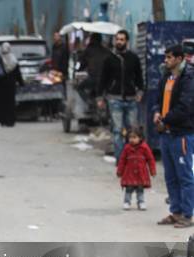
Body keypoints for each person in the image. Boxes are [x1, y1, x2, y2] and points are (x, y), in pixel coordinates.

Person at [154, 45, 194, 228]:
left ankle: (187, 214)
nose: (166, 60)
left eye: (169, 57)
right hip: (166, 134)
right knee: (170, 176)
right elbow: (158, 100)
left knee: (184, 176)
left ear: (179, 58)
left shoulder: (188, 78)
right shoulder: (166, 77)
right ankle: (175, 212)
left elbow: (185, 107)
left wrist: (166, 120)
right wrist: (156, 113)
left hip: (181, 134)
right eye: (165, 57)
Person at [97, 29, 144, 161]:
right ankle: (120, 160)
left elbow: (139, 77)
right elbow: (103, 79)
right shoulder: (109, 59)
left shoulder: (134, 58)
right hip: (114, 99)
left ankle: (133, 158)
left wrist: (140, 91)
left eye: (122, 39)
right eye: (117, 39)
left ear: (127, 42)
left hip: (131, 99)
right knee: (117, 130)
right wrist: (100, 97)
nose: (119, 42)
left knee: (133, 131)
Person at [116, 127, 156, 211]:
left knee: (140, 189)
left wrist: (152, 170)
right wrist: (120, 171)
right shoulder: (127, 148)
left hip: (141, 173)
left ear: (140, 138)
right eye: (130, 137)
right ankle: (127, 202)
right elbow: (122, 160)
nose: (132, 140)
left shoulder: (145, 147)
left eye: (134, 137)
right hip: (129, 173)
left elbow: (150, 159)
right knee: (128, 188)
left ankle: (141, 202)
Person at [0, 42, 24, 127]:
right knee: (9, 103)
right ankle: (9, 121)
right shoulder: (14, 60)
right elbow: (18, 73)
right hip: (10, 86)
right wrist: (21, 83)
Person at [76, 33, 110, 103]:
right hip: (105, 78)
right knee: (97, 91)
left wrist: (77, 69)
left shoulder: (88, 49)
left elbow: (81, 62)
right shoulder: (106, 50)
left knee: (79, 88)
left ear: (91, 39)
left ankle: (89, 102)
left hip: (93, 77)